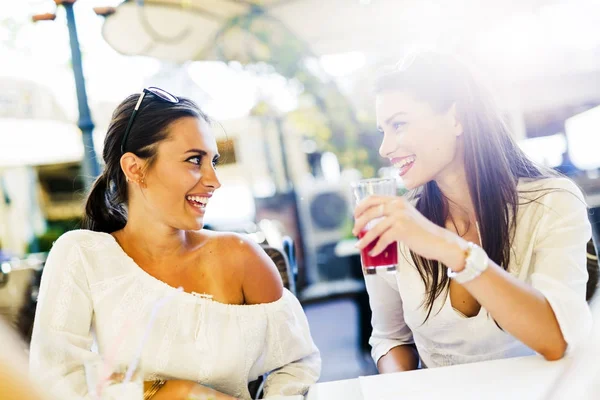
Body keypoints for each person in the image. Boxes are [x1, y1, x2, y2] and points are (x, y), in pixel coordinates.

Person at [29, 87, 320, 399]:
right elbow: (54, 383)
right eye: (194, 160)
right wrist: (174, 392)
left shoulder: (241, 257)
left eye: (213, 161)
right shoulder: (82, 257)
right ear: (135, 168)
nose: (214, 180)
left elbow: (295, 363)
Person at [353, 52, 592, 373]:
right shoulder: (396, 224)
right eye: (383, 130)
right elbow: (391, 338)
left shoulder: (553, 202)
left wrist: (451, 250)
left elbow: (557, 340)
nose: (385, 148)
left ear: (456, 118)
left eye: (399, 124)